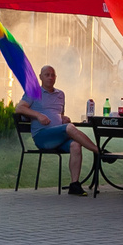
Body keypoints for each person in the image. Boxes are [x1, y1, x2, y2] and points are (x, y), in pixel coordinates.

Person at [16, 64, 103, 192]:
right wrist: (38, 115)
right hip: (42, 137)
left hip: (58, 137)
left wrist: (63, 118)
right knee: (69, 128)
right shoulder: (33, 91)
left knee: (75, 145)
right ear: (40, 77)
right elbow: (19, 108)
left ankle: (74, 185)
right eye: (47, 75)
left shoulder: (60, 94)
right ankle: (99, 151)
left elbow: (58, 114)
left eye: (53, 75)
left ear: (56, 77)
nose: (50, 77)